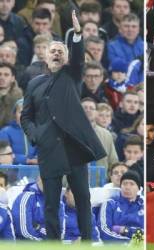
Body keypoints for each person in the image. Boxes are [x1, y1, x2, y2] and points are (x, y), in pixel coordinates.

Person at [20, 11, 106, 240]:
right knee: (50, 202)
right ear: (45, 57)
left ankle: (87, 241)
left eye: (61, 50)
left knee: (82, 198)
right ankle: (53, 243)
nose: (57, 53)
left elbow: (78, 56)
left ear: (66, 57)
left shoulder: (73, 74)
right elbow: (25, 116)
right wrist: (36, 135)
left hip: (74, 146)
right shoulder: (34, 84)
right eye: (53, 50)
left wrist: (77, 33)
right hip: (49, 148)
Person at [98, 170, 144, 242]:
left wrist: (123, 230)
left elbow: (147, 233)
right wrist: (129, 243)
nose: (127, 187)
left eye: (132, 184)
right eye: (124, 183)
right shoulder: (110, 204)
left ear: (138, 188)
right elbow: (104, 232)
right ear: (120, 186)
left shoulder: (144, 206)